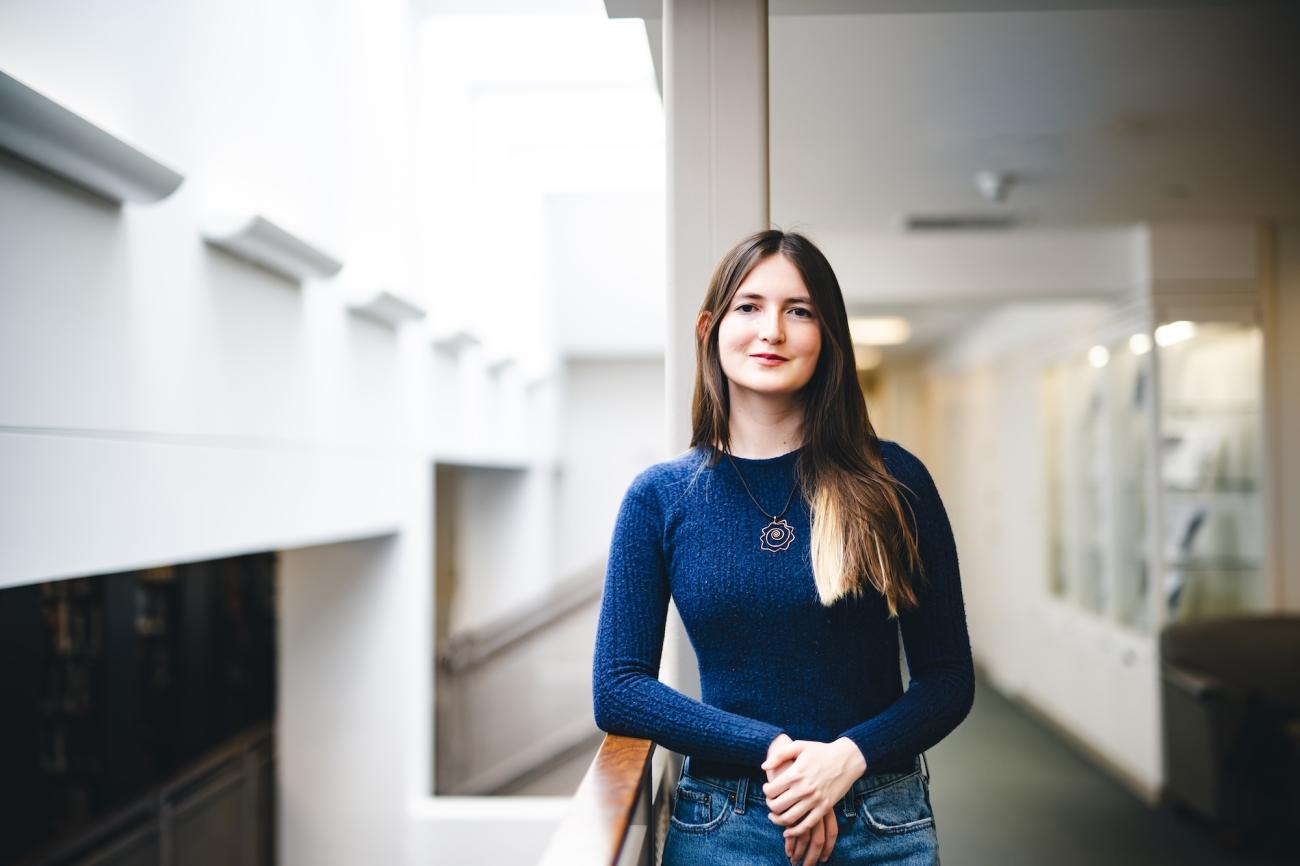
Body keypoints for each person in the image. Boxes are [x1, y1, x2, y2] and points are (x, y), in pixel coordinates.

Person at [591, 229, 975, 866]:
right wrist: (782, 754)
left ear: (827, 338)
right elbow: (619, 686)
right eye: (749, 307)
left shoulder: (894, 482)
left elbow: (948, 679)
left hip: (879, 818)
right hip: (723, 824)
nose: (772, 330)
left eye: (799, 311)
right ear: (710, 328)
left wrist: (846, 760)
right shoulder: (661, 497)